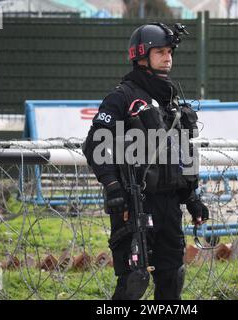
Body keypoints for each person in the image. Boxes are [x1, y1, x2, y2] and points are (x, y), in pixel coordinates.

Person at [82, 22, 209, 300]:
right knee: (133, 282)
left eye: (170, 52)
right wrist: (113, 185)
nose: (168, 58)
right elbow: (95, 145)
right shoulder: (123, 97)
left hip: (169, 207)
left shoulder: (170, 100)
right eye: (160, 51)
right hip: (133, 203)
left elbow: (181, 153)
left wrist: (192, 198)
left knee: (172, 278)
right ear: (141, 56)